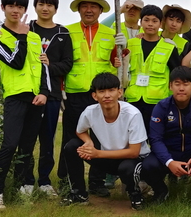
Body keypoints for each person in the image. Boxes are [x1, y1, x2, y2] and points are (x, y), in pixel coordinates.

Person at [0, 0, 49, 210]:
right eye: (11, 6)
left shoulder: (34, 37)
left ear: (25, 9)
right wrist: (21, 36)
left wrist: (44, 92)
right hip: (14, 98)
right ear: (3, 8)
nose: (16, 10)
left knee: (27, 146)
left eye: (20, 7)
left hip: (36, 99)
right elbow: (15, 62)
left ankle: (23, 188)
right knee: (10, 144)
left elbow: (42, 66)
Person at [59, 0, 124, 198]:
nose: (89, 10)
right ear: (79, 9)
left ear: (101, 10)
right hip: (75, 92)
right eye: (84, 6)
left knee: (101, 138)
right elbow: (60, 60)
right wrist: (60, 89)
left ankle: (96, 182)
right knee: (71, 138)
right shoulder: (66, 32)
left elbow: (118, 61)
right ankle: (67, 180)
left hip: (102, 94)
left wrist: (123, 48)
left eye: (93, 6)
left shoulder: (111, 33)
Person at [60, 73, 149, 210]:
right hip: (107, 157)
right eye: (101, 91)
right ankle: (79, 194)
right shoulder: (89, 111)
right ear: (94, 96)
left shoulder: (133, 114)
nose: (107, 95)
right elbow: (80, 131)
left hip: (133, 160)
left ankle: (135, 193)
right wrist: (88, 142)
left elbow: (134, 152)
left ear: (119, 93)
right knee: (72, 146)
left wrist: (97, 153)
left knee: (127, 168)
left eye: (111, 90)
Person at [142, 67, 191, 204]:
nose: (181, 88)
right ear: (170, 86)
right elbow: (155, 139)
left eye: (186, 84)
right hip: (169, 153)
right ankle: (161, 190)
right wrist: (169, 162)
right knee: (148, 165)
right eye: (177, 84)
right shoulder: (161, 107)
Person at [24, 0, 73, 196]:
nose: (45, 8)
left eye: (50, 5)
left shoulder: (62, 33)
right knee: (26, 139)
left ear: (55, 8)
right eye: (41, 4)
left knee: (47, 139)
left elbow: (67, 65)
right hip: (27, 92)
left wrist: (49, 66)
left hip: (52, 95)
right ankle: (26, 181)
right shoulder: (26, 29)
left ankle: (44, 181)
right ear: (35, 7)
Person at [123, 4, 181, 134]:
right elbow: (123, 69)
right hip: (133, 99)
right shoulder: (131, 43)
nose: (150, 24)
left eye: (154, 21)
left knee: (156, 137)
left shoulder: (169, 47)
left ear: (161, 24)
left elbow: (176, 75)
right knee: (133, 136)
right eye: (146, 20)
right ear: (140, 22)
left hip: (158, 102)